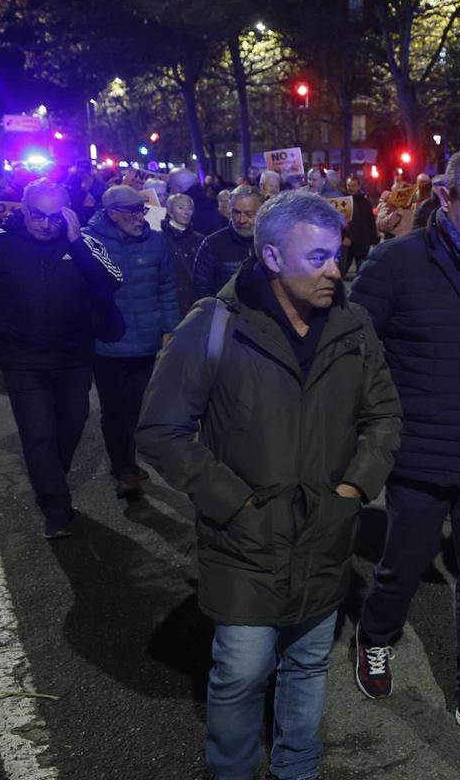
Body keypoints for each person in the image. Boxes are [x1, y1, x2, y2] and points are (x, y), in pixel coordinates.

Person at [136, 189, 402, 780]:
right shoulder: (213, 325)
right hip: (246, 540)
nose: (336, 270)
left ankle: (296, 769)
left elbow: (384, 417)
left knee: (308, 664)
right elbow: (159, 431)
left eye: (339, 255)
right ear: (274, 258)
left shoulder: (353, 326)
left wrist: (354, 491)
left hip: (325, 534)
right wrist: (234, 502)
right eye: (319, 258)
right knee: (240, 674)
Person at [349, 148, 460, 756]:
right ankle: (376, 634)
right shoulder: (395, 262)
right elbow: (357, 350)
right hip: (421, 452)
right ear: (444, 200)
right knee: (403, 565)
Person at [0, 179, 124, 538]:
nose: (45, 224)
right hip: (22, 359)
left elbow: (114, 280)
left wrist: (77, 243)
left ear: (66, 213)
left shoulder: (82, 241)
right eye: (37, 215)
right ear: (23, 209)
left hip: (74, 356)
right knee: (38, 434)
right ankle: (55, 506)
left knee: (71, 425)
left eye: (54, 216)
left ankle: (51, 479)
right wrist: (0, 333)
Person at [82, 186, 179, 502]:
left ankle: (128, 462)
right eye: (134, 212)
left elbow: (167, 287)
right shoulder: (89, 242)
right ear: (112, 214)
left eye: (142, 210)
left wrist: (170, 328)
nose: (141, 217)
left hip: (147, 342)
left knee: (137, 409)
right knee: (114, 410)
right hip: (108, 345)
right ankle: (123, 470)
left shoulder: (155, 241)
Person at [193, 186, 262, 299]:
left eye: (249, 214)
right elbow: (201, 287)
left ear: (261, 211)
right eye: (236, 212)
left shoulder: (272, 242)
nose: (241, 220)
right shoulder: (212, 244)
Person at [161, 193, 204, 317]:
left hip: (195, 304)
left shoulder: (200, 239)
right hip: (172, 303)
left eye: (189, 208)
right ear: (170, 211)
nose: (186, 212)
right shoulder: (160, 238)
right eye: (181, 207)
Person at [168, 167, 226, 234]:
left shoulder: (180, 207)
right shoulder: (205, 200)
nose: (169, 189)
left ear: (178, 188)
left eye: (170, 186)